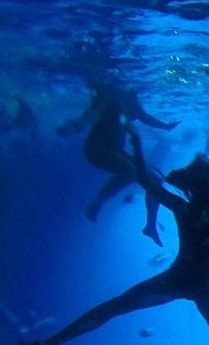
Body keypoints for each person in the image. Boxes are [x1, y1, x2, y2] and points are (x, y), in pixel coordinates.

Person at [19, 132, 209, 345]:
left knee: (114, 307)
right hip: (202, 284)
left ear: (191, 185)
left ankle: (50, 343)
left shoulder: (184, 207)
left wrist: (138, 149)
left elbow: (145, 181)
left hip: (179, 278)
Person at [60, 81, 178, 246]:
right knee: (134, 172)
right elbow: (89, 116)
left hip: (115, 150)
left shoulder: (130, 96)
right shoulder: (109, 93)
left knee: (153, 178)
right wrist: (73, 126)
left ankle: (149, 225)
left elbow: (144, 117)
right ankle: (98, 205)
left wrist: (166, 126)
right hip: (97, 150)